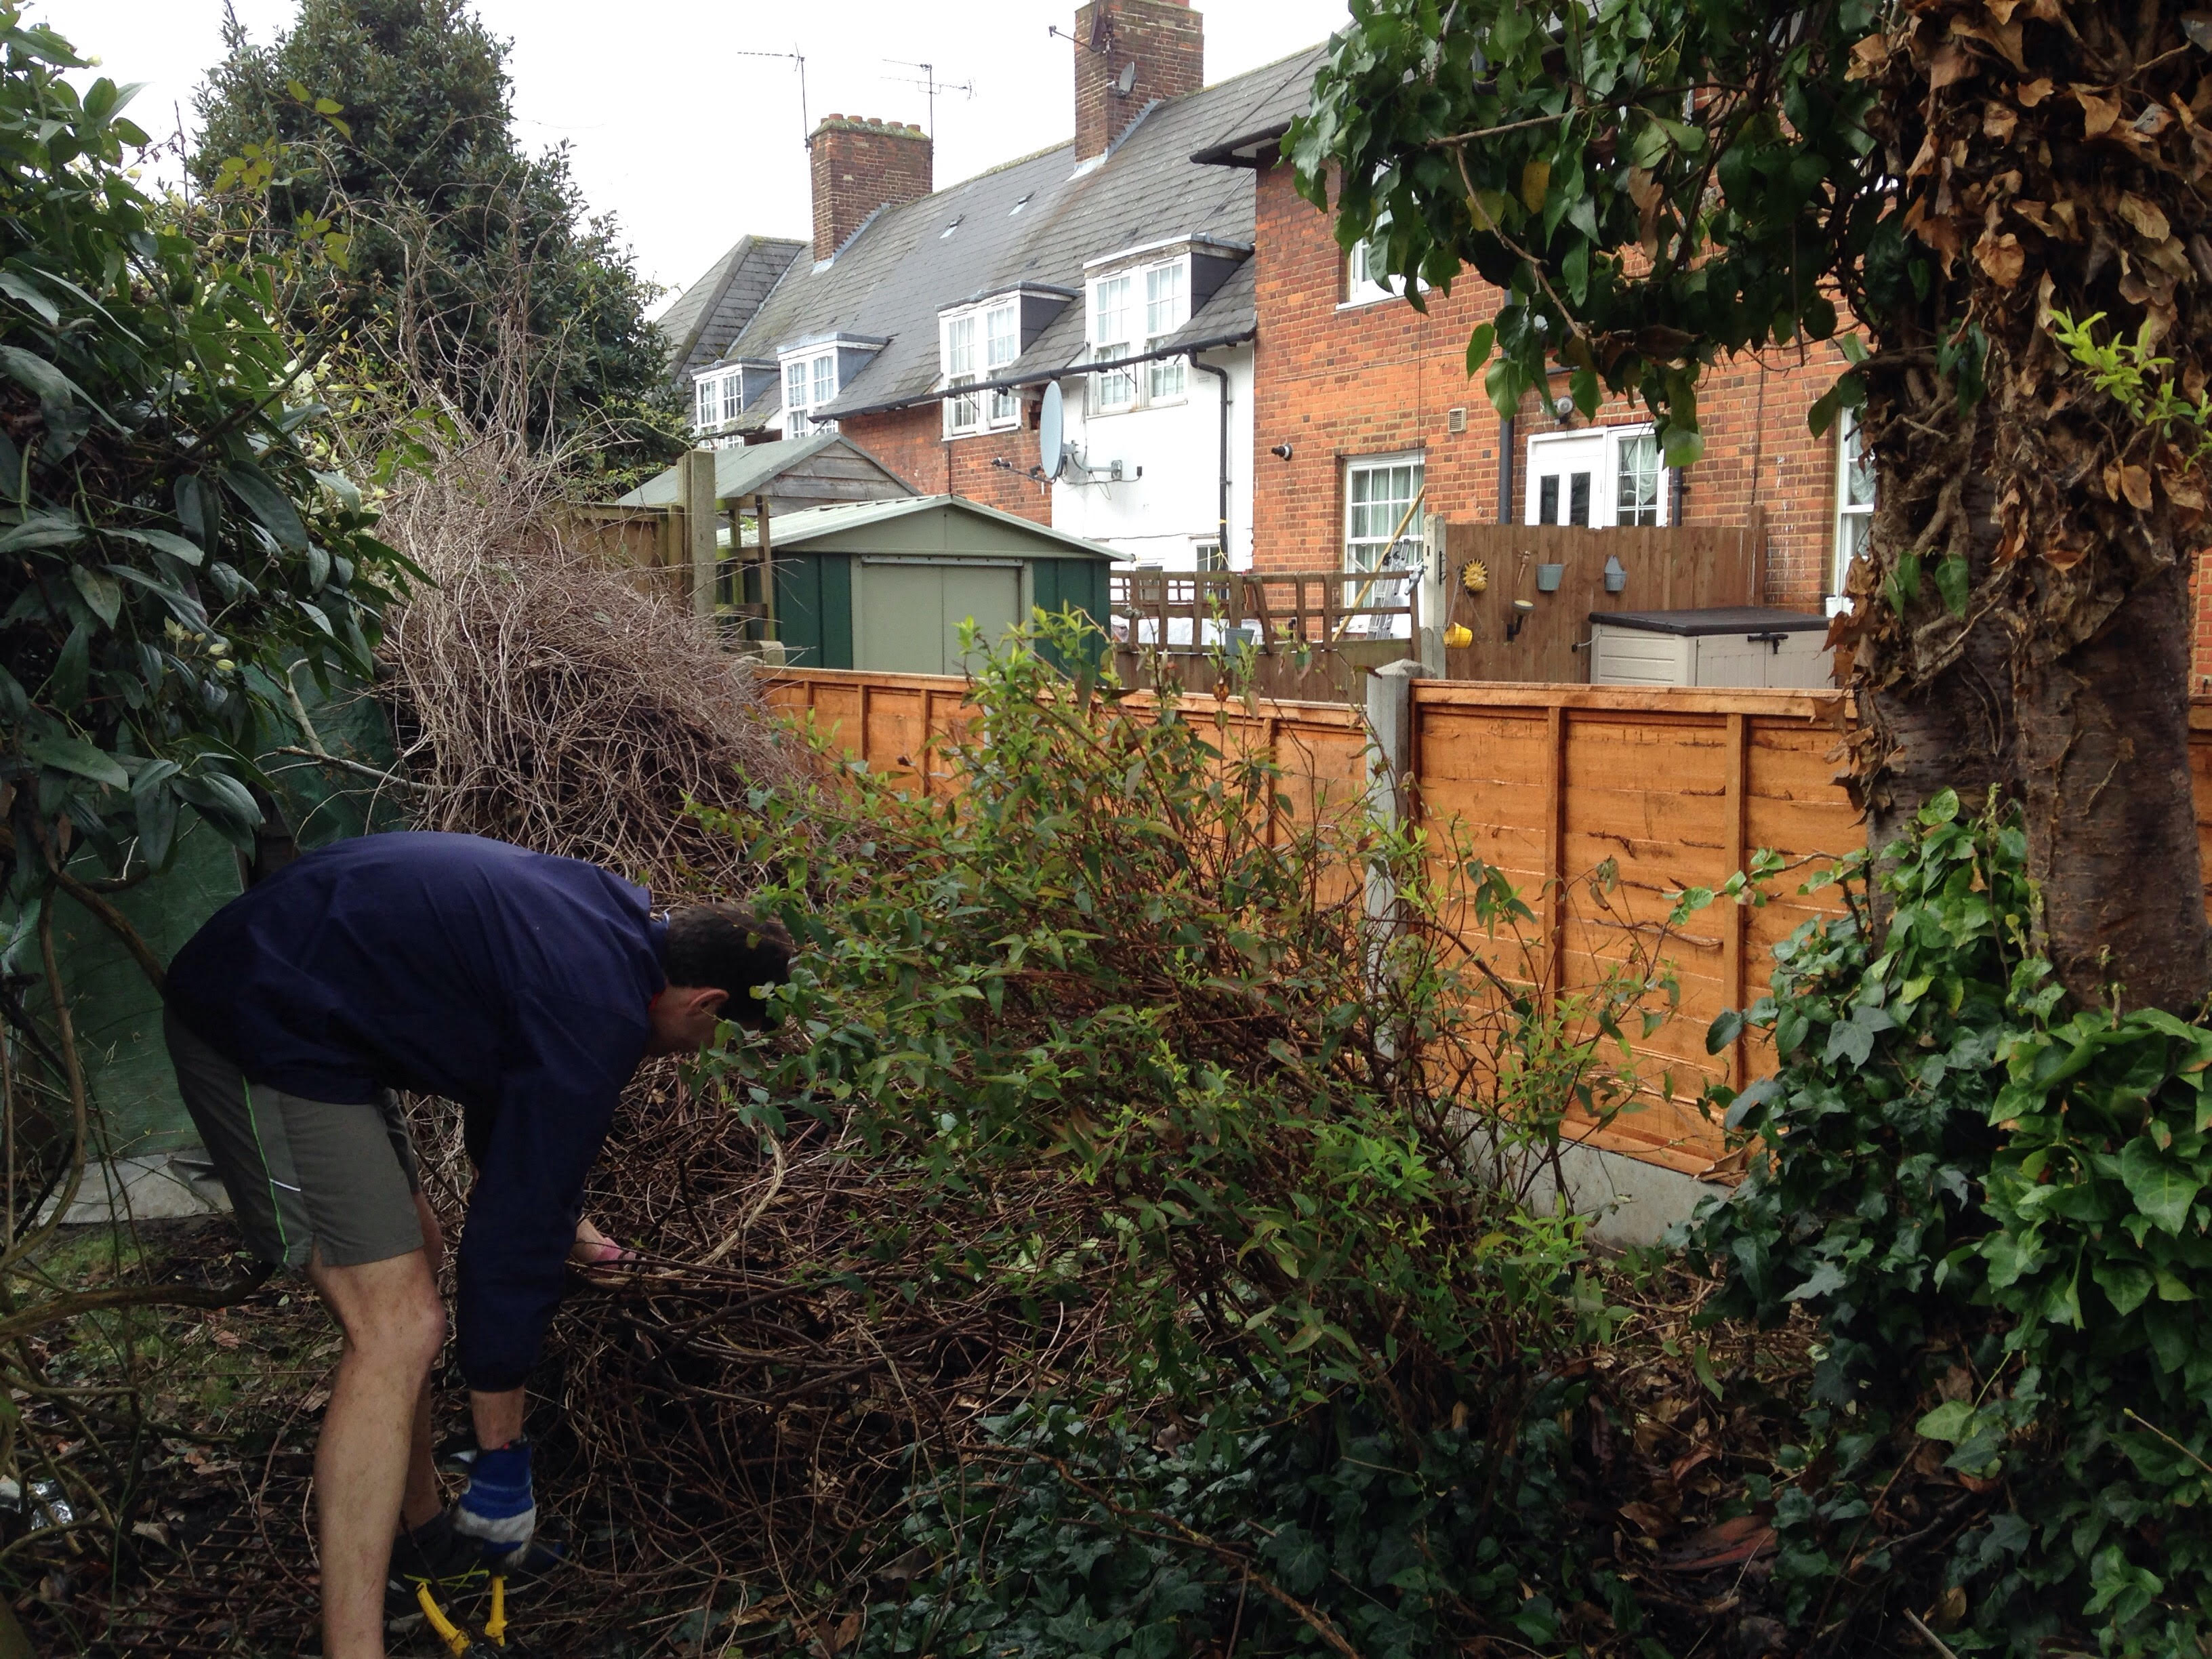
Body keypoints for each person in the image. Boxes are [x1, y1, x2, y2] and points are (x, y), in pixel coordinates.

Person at [161, 831, 792, 1659]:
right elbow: (511, 1238)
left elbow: (519, 1115)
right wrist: (503, 1463)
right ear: (705, 1002)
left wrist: (583, 1237)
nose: (701, 1053)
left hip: (319, 1007)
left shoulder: (612, 926)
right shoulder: (595, 1009)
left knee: (415, 1250)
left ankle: (422, 1536)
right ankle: (354, 1644)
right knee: (396, 1329)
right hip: (258, 1019)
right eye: (719, 1036)